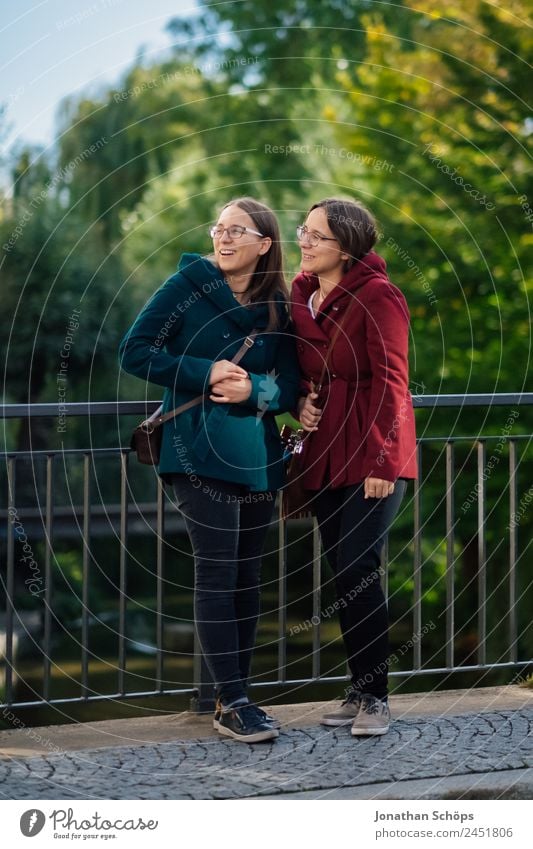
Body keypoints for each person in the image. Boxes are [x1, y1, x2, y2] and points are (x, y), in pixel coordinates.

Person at [119, 197, 300, 742]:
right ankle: (236, 702)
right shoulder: (187, 286)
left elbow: (289, 385)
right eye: (218, 228)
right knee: (217, 571)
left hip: (258, 455)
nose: (223, 238)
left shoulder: (278, 306)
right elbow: (134, 351)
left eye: (236, 230)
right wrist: (203, 370)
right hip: (196, 451)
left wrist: (255, 389)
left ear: (263, 244)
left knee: (247, 575)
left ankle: (230, 695)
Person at [291, 197, 418, 736]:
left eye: (316, 236)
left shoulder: (377, 296)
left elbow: (393, 381)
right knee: (344, 574)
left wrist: (384, 460)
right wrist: (299, 399)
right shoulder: (305, 297)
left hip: (373, 454)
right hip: (325, 455)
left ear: (346, 246)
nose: (305, 241)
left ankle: (377, 701)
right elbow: (304, 368)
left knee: (358, 568)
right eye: (304, 231)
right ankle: (359, 687)